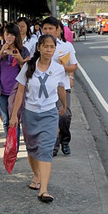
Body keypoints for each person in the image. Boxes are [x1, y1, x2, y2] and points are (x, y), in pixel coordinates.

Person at [9, 34, 70, 203]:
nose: (48, 50)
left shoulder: (58, 69)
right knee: (32, 147)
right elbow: (20, 91)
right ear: (39, 48)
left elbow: (61, 89)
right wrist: (14, 115)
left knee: (45, 149)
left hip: (49, 113)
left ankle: (43, 189)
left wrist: (64, 107)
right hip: (30, 113)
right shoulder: (29, 66)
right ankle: (36, 175)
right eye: (45, 46)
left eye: (52, 47)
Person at [40, 17, 78, 156]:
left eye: (51, 28)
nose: (48, 31)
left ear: (58, 30)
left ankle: (65, 140)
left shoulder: (66, 47)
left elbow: (74, 66)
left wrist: (65, 69)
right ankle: (54, 146)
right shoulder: (38, 47)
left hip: (62, 86)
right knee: (51, 117)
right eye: (45, 28)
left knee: (64, 115)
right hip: (45, 88)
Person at [0, 22, 29, 132]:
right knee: (6, 120)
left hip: (16, 90)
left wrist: (20, 58)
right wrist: (2, 51)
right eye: (7, 34)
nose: (9, 37)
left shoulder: (23, 50)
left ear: (16, 36)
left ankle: (14, 146)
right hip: (2, 90)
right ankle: (9, 143)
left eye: (12, 35)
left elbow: (27, 71)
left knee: (14, 118)